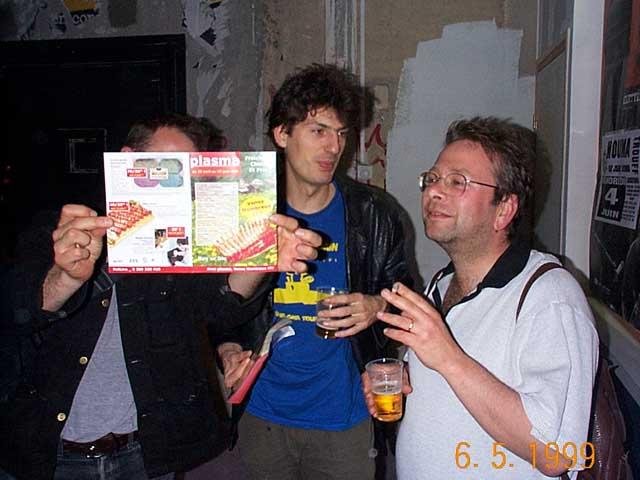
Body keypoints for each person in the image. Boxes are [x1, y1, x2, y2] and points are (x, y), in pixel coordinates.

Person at [0, 113, 321, 480]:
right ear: (127, 161)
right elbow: (20, 310)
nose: (173, 184)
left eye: (186, 175)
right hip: (49, 455)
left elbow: (221, 309)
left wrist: (261, 259)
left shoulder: (185, 246)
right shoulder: (63, 229)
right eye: (164, 168)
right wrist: (67, 276)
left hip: (142, 455)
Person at [365, 117, 599, 479]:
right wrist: (402, 379)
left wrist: (447, 357)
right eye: (432, 178)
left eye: (457, 181)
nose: (434, 191)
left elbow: (556, 455)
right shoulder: (441, 283)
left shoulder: (550, 297)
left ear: (504, 209)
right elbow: (453, 384)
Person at [216, 63, 411, 479]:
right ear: (282, 134)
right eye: (319, 130)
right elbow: (218, 304)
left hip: (343, 418)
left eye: (341, 133)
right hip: (263, 414)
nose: (333, 146)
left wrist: (376, 305)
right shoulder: (247, 212)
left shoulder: (374, 213)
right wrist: (227, 347)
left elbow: (407, 300)